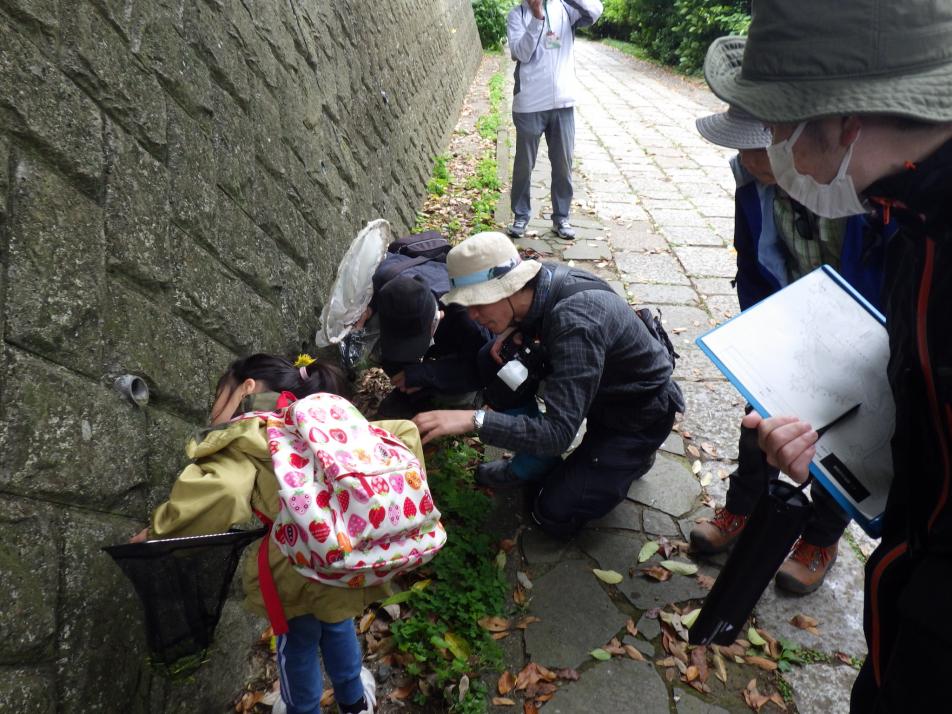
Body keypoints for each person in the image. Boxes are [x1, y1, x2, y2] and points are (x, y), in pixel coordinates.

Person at [703, 1, 952, 707]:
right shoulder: (910, 214)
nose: (770, 149)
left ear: (842, 122)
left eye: (778, 124)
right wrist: (851, 444)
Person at [132, 354, 427, 714]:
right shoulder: (326, 420)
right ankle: (354, 702)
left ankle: (303, 709)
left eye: (218, 397)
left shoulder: (251, 436)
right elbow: (405, 433)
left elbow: (224, 492)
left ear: (247, 388)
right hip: (347, 553)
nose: (213, 413)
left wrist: (160, 533)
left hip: (294, 566)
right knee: (338, 625)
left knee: (297, 643)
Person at [690, 105, 888, 594]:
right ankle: (742, 507)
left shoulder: (856, 187)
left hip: (857, 335)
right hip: (786, 322)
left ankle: (820, 538)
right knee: (758, 422)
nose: (745, 158)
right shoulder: (749, 180)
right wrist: (758, 334)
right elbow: (751, 258)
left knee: (839, 440)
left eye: (757, 146)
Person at [413, 231, 683, 537]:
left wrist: (473, 420)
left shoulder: (576, 323)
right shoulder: (542, 284)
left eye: (478, 303)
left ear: (509, 287)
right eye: (467, 305)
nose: (472, 316)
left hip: (637, 415)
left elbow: (558, 435)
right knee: (493, 361)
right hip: (601, 389)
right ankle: (535, 462)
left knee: (550, 513)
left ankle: (635, 457)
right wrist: (512, 330)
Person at [506, 0, 603, 239]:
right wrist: (537, 16)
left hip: (563, 103)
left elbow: (595, 10)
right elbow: (520, 53)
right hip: (529, 102)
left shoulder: (566, 9)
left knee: (563, 165)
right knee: (524, 166)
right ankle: (520, 216)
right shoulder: (517, 14)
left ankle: (562, 218)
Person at [366, 247, 493, 418]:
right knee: (383, 343)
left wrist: (423, 375)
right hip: (424, 295)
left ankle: (431, 395)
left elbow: (480, 369)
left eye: (414, 342)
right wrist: (369, 307)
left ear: (437, 318)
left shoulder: (470, 319)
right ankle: (409, 391)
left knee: (460, 395)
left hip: (460, 343)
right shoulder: (386, 276)